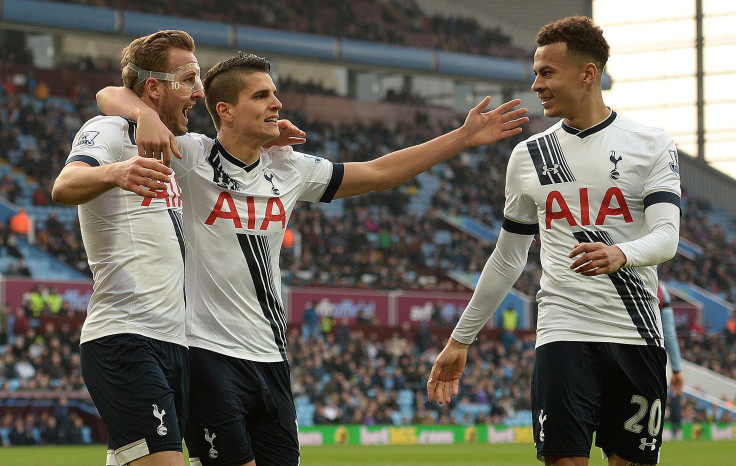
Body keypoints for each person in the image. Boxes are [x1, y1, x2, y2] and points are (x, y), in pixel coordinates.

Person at [97, 51, 528, 466]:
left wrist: (463, 137)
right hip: (207, 354)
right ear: (225, 110)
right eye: (261, 95)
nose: (277, 103)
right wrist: (146, 115)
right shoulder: (190, 156)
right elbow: (108, 95)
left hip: (272, 358)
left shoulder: (289, 168)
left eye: (275, 93)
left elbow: (378, 173)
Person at [426, 16, 681, 466]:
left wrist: (621, 253)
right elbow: (507, 258)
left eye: (547, 72)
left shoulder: (652, 143)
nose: (535, 84)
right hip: (563, 331)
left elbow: (666, 237)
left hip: (636, 333)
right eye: (535, 72)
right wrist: (461, 339)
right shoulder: (529, 156)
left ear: (588, 73)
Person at [51, 30, 203, 466]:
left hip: (175, 342)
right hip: (126, 336)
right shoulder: (110, 130)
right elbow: (64, 185)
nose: (199, 92)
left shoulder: (174, 145)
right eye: (189, 78)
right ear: (154, 87)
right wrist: (116, 171)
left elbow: (111, 91)